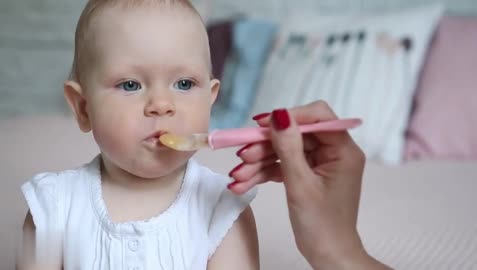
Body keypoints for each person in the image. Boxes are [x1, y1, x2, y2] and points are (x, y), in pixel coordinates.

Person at [17, 0, 259, 269]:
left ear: (210, 98)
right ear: (83, 108)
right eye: (130, 85)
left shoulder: (221, 209)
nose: (161, 104)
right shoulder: (53, 207)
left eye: (184, 83)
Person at [229, 101, 393, 270]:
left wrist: (340, 254)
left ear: (213, 93)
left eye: (197, 83)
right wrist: (343, 255)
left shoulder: (227, 214)